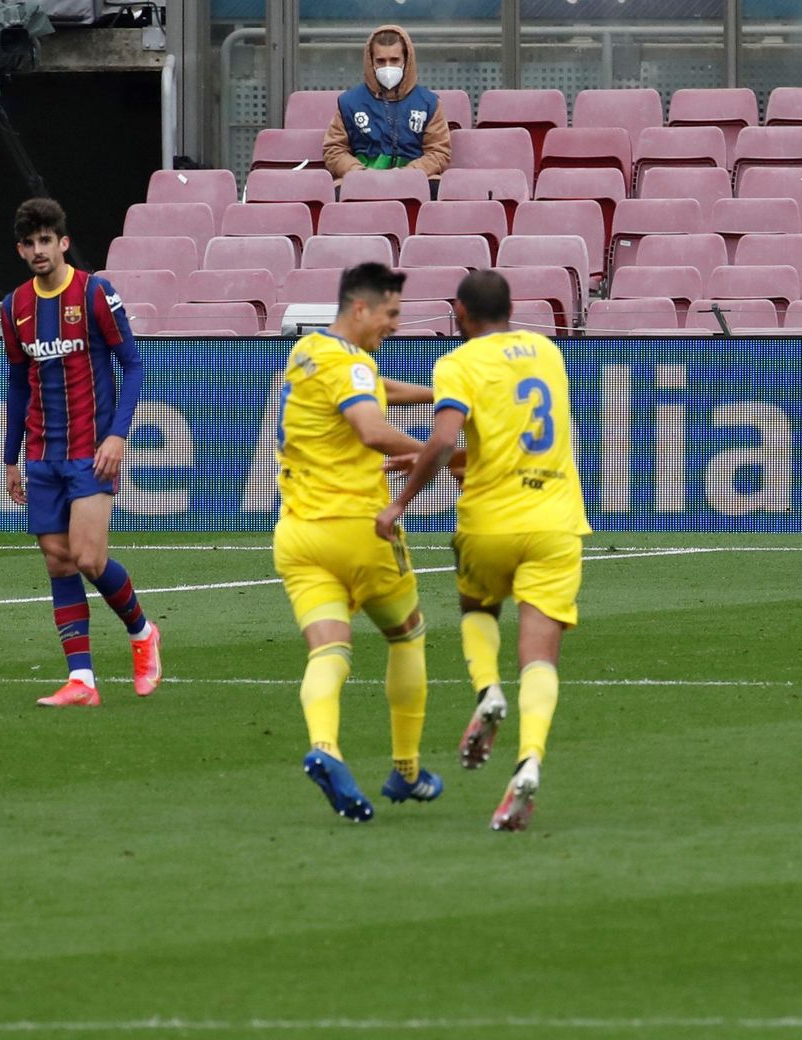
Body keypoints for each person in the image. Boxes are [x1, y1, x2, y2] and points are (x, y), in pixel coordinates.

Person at [377, 270, 591, 833]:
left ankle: (488, 690)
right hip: (557, 522)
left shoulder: (458, 364)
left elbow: (450, 437)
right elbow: (506, 439)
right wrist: (437, 457)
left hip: (491, 519)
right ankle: (529, 764)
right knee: (541, 659)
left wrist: (401, 501)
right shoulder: (547, 352)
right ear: (511, 307)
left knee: (478, 609)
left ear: (461, 313)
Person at [273, 262, 442, 822]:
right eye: (391, 314)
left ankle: (325, 747)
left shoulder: (309, 353)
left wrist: (434, 393)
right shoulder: (349, 365)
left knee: (329, 651)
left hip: (299, 535)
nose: (395, 324)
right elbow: (370, 427)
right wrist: (431, 449)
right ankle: (408, 770)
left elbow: (371, 384)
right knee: (408, 636)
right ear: (361, 308)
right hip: (359, 530)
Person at [0, 198, 160, 708]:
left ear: (63, 242)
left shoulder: (95, 293)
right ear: (21, 249)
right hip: (43, 452)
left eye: (48, 240)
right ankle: (82, 681)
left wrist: (118, 435)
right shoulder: (14, 307)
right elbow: (18, 381)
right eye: (31, 243)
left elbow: (131, 366)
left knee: (89, 557)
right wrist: (10, 456)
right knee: (59, 562)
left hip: (91, 448)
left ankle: (142, 633)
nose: (39, 249)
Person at [324, 25, 451, 183]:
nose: (388, 67)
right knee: (338, 192)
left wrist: (408, 173)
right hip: (361, 180)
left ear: (406, 60)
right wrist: (357, 172)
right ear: (371, 62)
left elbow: (439, 152)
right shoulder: (349, 102)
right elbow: (334, 149)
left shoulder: (429, 103)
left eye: (394, 60)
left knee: (437, 188)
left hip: (413, 180)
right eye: (381, 61)